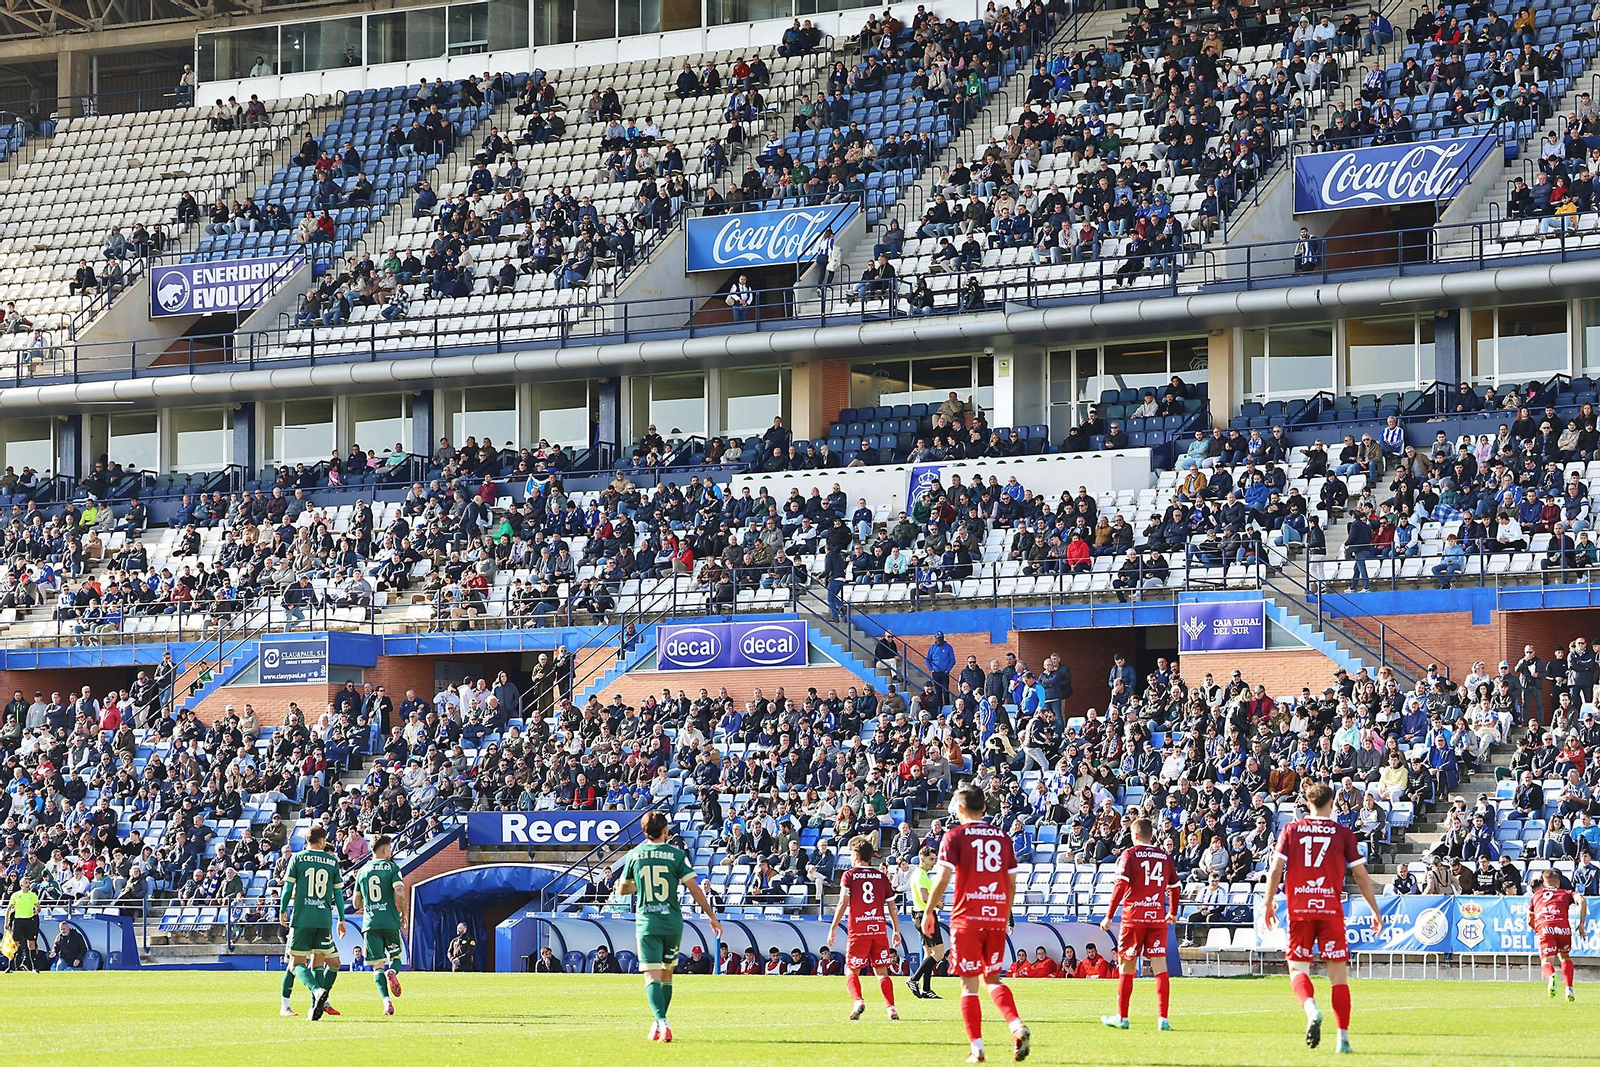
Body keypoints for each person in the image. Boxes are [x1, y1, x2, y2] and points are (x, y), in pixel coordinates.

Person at [1263, 782, 1382, 1054]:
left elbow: (1275, 869)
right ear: (1332, 803)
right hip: (1329, 909)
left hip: (1300, 909)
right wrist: (1375, 910)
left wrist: (1268, 903)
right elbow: (1361, 876)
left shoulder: (1291, 830)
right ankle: (1343, 1039)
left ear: (1307, 803)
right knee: (1338, 977)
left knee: (1297, 969)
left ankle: (1311, 1009)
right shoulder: (1343, 834)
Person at [921, 783, 1031, 1063]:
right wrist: (1005, 913)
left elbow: (943, 878)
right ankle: (1016, 1024)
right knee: (992, 978)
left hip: (967, 917)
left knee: (969, 986)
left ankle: (977, 1048)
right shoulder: (1003, 837)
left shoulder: (954, 836)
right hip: (995, 916)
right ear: (984, 807)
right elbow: (1011, 882)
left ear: (959, 809)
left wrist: (928, 911)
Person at [619, 810, 723, 1043]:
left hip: (648, 922)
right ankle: (658, 1022)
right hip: (672, 922)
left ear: (644, 831)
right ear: (665, 830)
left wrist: (643, 886)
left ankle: (663, 1022)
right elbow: (694, 888)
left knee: (651, 976)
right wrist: (711, 916)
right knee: (666, 976)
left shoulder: (634, 855)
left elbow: (622, 890)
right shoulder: (676, 855)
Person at [1098, 816, 1179, 1031]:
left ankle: (1122, 1017)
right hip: (1156, 917)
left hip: (1134, 917)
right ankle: (1163, 1019)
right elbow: (1176, 886)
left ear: (1134, 836)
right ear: (1151, 835)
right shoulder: (1163, 856)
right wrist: (1172, 911)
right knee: (1161, 968)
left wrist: (1108, 915)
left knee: (1127, 967)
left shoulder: (1130, 854)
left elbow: (1120, 886)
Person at [826, 835, 904, 1021]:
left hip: (858, 931)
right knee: (882, 971)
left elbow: (843, 902)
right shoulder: (881, 876)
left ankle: (858, 1001)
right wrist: (896, 930)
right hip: (878, 930)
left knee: (851, 970)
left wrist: (833, 927)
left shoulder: (850, 875)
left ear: (856, 854)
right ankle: (891, 1008)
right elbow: (892, 906)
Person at [280, 825, 348, 1020]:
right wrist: (341, 918)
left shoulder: (298, 858)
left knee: (295, 963)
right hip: (323, 919)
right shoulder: (332, 861)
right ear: (322, 841)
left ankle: (316, 992)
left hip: (302, 918)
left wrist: (283, 909)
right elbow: (338, 894)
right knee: (320, 962)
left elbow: (287, 888)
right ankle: (313, 1008)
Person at [352, 834, 407, 1015]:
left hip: (370, 924)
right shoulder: (392, 868)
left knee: (376, 966)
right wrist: (404, 913)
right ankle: (392, 972)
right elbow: (399, 891)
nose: (390, 853)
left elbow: (356, 904)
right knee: (397, 958)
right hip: (390, 921)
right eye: (390, 849)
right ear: (384, 850)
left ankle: (386, 1001)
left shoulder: (362, 871)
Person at [1529, 867, 1588, 1000]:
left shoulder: (1536, 895)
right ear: (1558, 882)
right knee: (1565, 957)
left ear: (1544, 883)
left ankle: (1551, 977)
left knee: (1546, 961)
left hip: (1546, 927)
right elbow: (1582, 900)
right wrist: (1581, 923)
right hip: (1563, 928)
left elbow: (1529, 919)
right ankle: (1569, 989)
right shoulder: (1566, 892)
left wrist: (1538, 929)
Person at [905, 845, 948, 999]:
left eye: (935, 859)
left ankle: (926, 989)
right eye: (931, 859)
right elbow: (925, 897)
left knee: (929, 954)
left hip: (919, 914)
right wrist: (939, 903)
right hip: (926, 915)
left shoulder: (919, 874)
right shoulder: (921, 875)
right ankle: (913, 979)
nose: (934, 862)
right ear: (922, 858)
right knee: (939, 953)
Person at [4, 875, 40, 972]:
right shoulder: (16, 895)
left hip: (29, 921)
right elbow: (9, 908)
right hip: (18, 921)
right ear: (21, 884)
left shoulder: (33, 895)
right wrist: (6, 922)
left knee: (31, 944)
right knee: (15, 944)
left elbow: (38, 907)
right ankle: (10, 967)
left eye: (28, 882)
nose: (28, 884)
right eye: (26, 882)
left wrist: (37, 910)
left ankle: (34, 967)